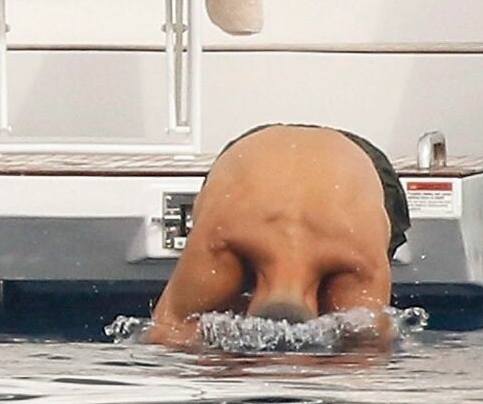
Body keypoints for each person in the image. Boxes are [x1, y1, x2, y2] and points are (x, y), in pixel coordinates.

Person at [149, 125, 411, 349]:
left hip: (267, 157)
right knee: (363, 339)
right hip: (321, 166)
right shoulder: (352, 258)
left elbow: (169, 335)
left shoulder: (226, 241)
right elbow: (365, 359)